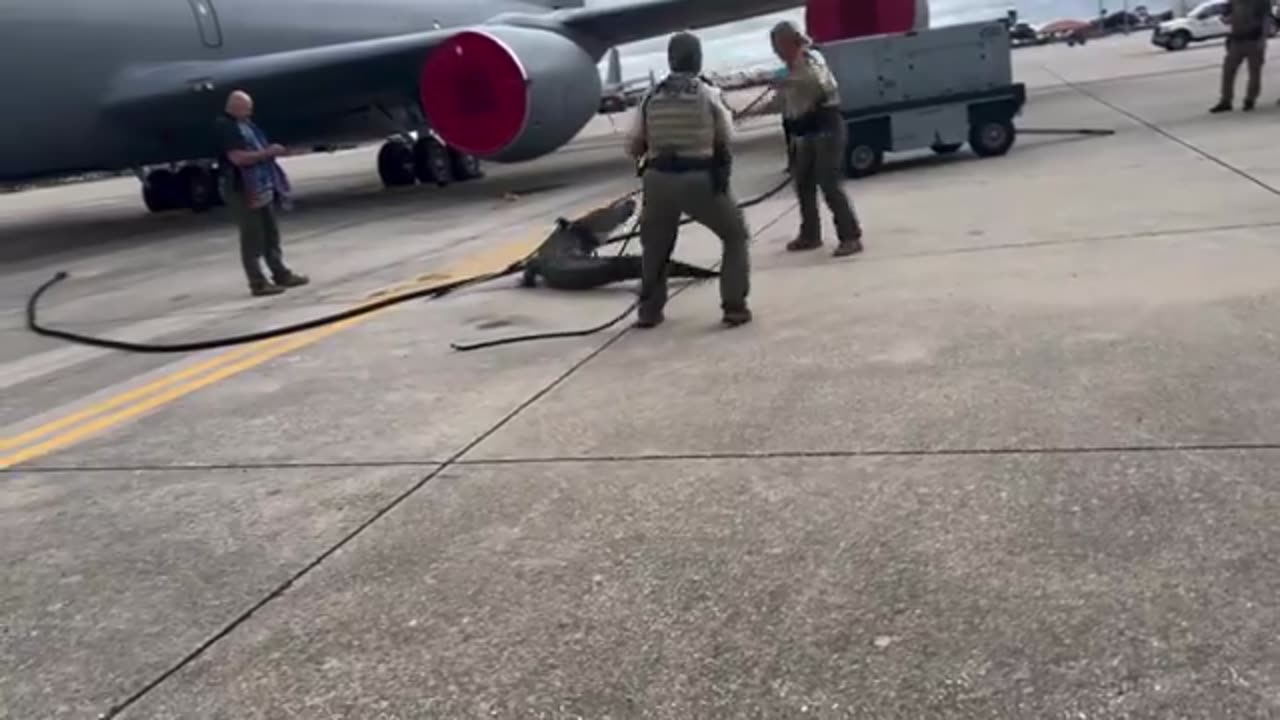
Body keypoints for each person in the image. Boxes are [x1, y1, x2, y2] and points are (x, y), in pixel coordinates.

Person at [625, 31, 752, 328]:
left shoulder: (650, 96)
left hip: (657, 181)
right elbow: (727, 136)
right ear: (697, 59)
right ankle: (734, 307)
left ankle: (649, 311)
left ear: (670, 60)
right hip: (698, 179)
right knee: (735, 236)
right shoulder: (708, 94)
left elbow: (634, 146)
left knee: (655, 247)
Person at [767, 20, 863, 257]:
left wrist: (787, 82)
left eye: (778, 45)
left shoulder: (812, 60)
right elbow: (782, 101)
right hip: (805, 131)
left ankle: (850, 236)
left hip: (826, 127)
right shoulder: (789, 69)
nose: (776, 51)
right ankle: (810, 234)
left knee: (828, 182)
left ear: (790, 42)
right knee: (803, 184)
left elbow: (820, 85)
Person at [214, 90, 309, 297]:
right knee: (252, 237)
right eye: (247, 107)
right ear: (235, 107)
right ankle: (257, 282)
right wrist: (266, 153)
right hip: (242, 188)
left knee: (270, 232)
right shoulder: (227, 127)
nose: (250, 111)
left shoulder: (246, 125)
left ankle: (280, 272)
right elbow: (237, 158)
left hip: (259, 185)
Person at [1210, 0, 1273, 113]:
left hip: (1254, 40)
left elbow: (1266, 19)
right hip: (1237, 40)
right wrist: (1226, 19)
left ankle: (1250, 99)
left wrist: (1263, 39)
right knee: (1228, 70)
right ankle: (1226, 100)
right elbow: (1230, 17)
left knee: (1254, 72)